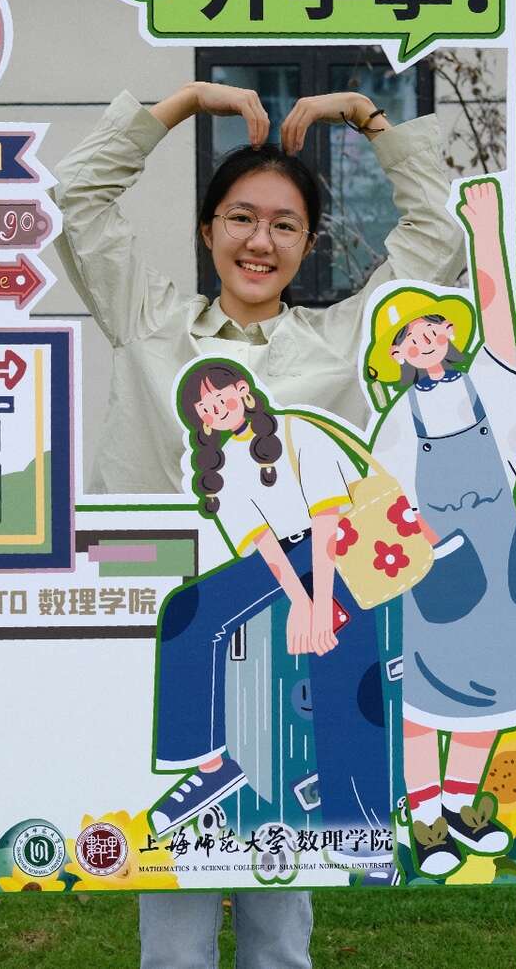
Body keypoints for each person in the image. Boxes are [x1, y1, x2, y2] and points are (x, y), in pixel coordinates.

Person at [54, 82, 463, 969]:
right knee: (174, 937)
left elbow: (437, 240)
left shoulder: (340, 341)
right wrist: (180, 104)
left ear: (309, 245)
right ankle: (205, 772)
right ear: (207, 230)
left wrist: (373, 119)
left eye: (284, 225)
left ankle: (340, 810)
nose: (260, 241)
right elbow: (79, 198)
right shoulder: (150, 320)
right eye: (241, 218)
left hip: (304, 609)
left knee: (279, 933)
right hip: (177, 609)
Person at [365, 180, 516, 880]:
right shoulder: (398, 420)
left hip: (501, 566)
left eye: (431, 328)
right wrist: (432, 550)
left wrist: (485, 231)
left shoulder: (491, 389)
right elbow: (382, 501)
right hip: (439, 571)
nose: (422, 341)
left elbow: (500, 322)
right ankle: (424, 820)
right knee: (427, 702)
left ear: (449, 332)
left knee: (493, 694)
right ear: (394, 356)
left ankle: (458, 806)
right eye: (406, 338)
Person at [151, 359, 391, 853]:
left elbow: (327, 520)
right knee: (186, 614)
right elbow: (263, 544)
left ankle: (366, 832)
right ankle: (212, 767)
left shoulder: (297, 431)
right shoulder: (217, 470)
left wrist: (319, 606)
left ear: (244, 390)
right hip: (282, 558)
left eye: (220, 395)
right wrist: (299, 602)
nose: (216, 408)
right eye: (204, 407)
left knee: (343, 668)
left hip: (338, 545)